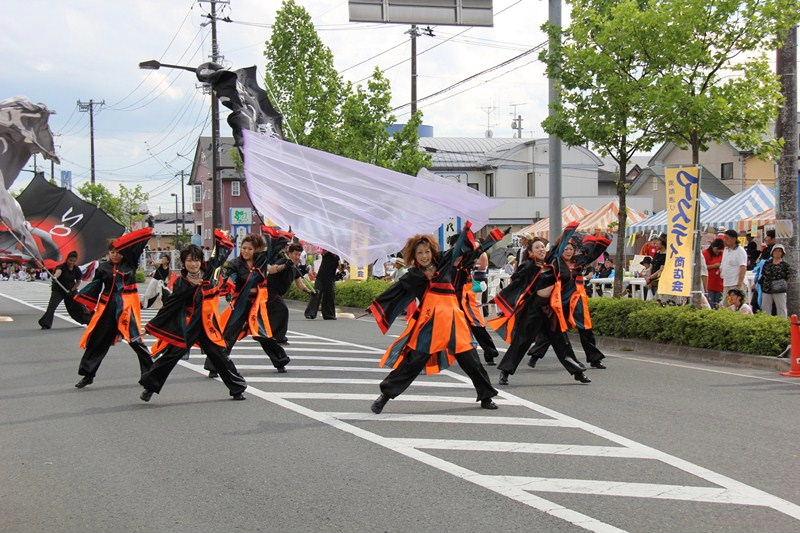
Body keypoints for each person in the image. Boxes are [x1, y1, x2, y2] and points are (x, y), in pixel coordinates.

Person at [368, 226, 500, 414]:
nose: (424, 256)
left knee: (471, 360)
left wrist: (486, 237)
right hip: (429, 323)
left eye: (427, 251)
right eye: (419, 253)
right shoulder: (413, 275)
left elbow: (463, 250)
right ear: (414, 255)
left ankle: (486, 396)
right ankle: (385, 395)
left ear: (433, 252)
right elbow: (394, 292)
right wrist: (374, 306)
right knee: (413, 361)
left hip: (455, 320)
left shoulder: (445, 263)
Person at [140, 232, 247, 402]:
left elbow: (219, 255)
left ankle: (237, 388)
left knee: (219, 355)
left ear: (200, 261)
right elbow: (170, 306)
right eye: (189, 260)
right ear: (183, 262)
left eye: (196, 259)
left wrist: (223, 241)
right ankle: (150, 386)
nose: (193, 263)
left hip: (208, 324)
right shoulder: (181, 282)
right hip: (189, 325)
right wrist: (150, 327)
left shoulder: (210, 271)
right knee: (171, 355)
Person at [491, 224, 590, 387]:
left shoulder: (552, 262)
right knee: (521, 341)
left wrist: (569, 230)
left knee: (562, 341)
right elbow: (517, 282)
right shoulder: (528, 266)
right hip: (533, 309)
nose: (541, 249)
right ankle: (505, 372)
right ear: (530, 252)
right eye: (537, 248)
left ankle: (577, 373)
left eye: (543, 247)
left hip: (551, 309)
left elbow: (559, 246)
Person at [72, 228, 154, 388]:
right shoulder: (103, 268)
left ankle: (150, 374)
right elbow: (95, 286)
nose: (115, 255)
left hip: (126, 309)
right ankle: (88, 374)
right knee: (97, 341)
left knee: (136, 342)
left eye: (118, 252)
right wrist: (81, 297)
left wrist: (148, 230)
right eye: (112, 252)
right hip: (107, 309)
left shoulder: (130, 263)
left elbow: (138, 244)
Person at [527, 233, 612, 370]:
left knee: (585, 328)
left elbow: (594, 252)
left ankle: (594, 359)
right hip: (559, 300)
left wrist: (604, 239)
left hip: (576, 299)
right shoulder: (555, 262)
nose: (568, 251)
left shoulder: (579, 261)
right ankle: (535, 355)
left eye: (571, 249)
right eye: (565, 249)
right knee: (554, 328)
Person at [448, 232, 502, 366]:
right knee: (440, 326)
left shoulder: (468, 259)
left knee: (477, 325)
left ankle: (490, 352)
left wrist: (496, 236)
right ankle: (426, 358)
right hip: (449, 298)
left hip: (466, 297)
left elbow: (481, 252)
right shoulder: (447, 260)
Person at [38, 251, 90, 329]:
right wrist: (55, 277)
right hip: (58, 290)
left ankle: (88, 320)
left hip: (71, 290)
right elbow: (58, 273)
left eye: (73, 261)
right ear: (67, 259)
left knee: (80, 305)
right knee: (52, 307)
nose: (71, 262)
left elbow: (79, 281)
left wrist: (73, 290)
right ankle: (46, 324)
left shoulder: (76, 269)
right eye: (70, 260)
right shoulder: (61, 267)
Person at [305, 250, 340, 320]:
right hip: (321, 276)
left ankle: (329, 315)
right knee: (316, 294)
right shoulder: (326, 250)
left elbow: (339, 265)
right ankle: (310, 313)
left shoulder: (338, 254)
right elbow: (322, 252)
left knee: (329, 295)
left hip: (330, 277)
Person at [759, 244, 791, 318]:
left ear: (782, 253)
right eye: (775, 251)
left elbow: (787, 276)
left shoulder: (785, 265)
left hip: (779, 289)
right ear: (772, 252)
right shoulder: (767, 263)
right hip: (767, 288)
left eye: (779, 251)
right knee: (765, 309)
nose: (777, 253)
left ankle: (782, 325)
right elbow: (763, 274)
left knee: (781, 308)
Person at [721, 229, 747, 295]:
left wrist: (739, 284)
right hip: (727, 282)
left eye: (727, 238)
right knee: (726, 304)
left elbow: (743, 268)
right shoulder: (726, 250)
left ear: (734, 239)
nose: (725, 240)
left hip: (735, 284)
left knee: (736, 304)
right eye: (724, 238)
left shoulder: (740, 251)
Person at [702, 239, 725, 309]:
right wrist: (714, 266)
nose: (718, 252)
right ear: (713, 247)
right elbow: (702, 268)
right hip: (709, 284)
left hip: (720, 284)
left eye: (720, 250)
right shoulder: (705, 253)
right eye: (717, 250)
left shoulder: (722, 254)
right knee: (710, 305)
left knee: (718, 305)